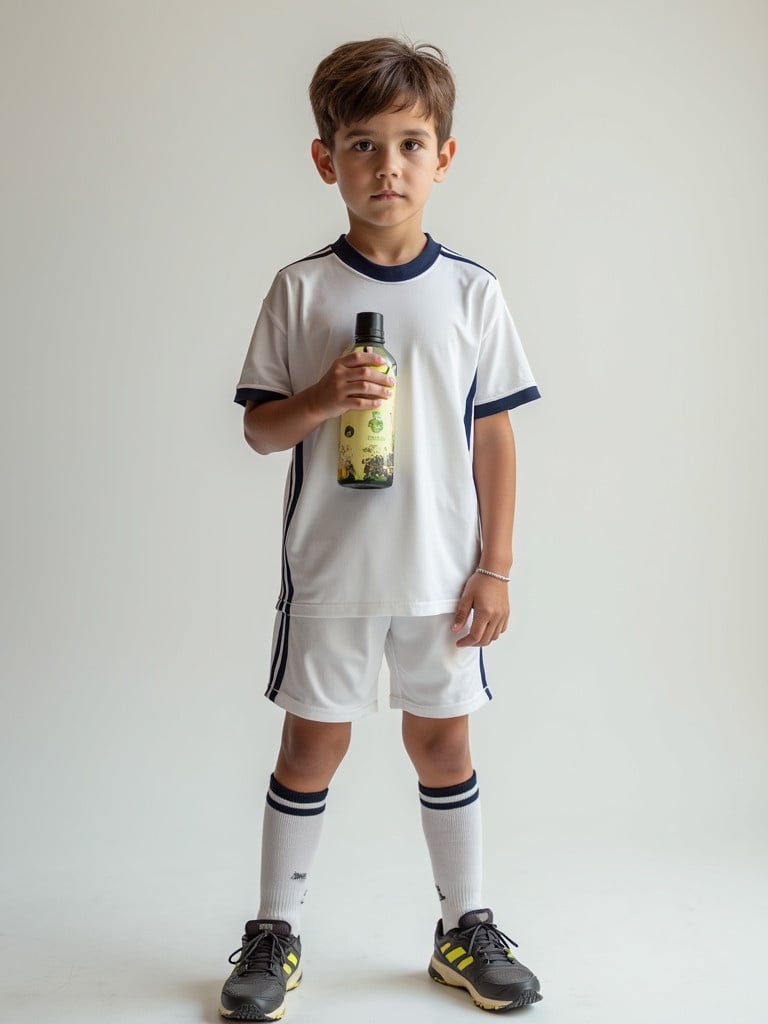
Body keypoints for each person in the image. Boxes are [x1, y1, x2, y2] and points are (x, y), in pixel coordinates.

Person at [220, 36, 543, 1021]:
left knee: (443, 746)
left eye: (410, 144)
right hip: (330, 574)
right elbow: (260, 428)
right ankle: (275, 927)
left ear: (444, 156)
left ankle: (465, 924)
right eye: (363, 145)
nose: (387, 166)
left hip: (442, 578)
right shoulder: (304, 289)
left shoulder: (472, 292)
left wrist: (495, 567)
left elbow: (495, 441)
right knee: (311, 749)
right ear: (327, 159)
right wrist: (322, 395)